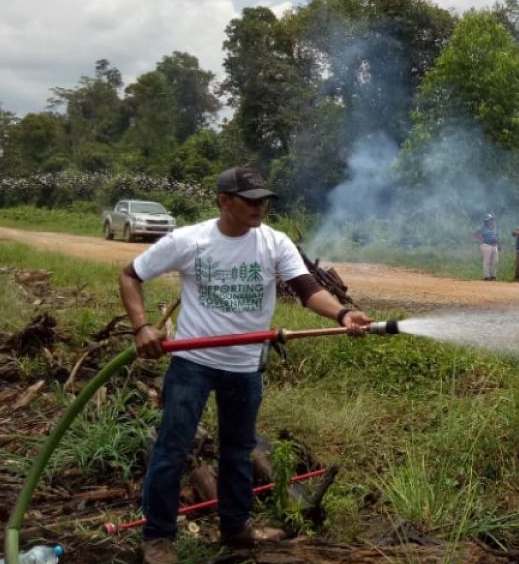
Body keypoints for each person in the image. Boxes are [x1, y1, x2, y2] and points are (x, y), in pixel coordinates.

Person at [120, 167, 372, 564]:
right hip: (192, 362)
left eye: (264, 200)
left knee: (238, 451)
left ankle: (235, 528)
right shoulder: (190, 240)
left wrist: (342, 314)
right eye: (250, 200)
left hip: (245, 364)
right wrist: (141, 327)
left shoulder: (274, 242)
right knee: (171, 450)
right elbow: (130, 275)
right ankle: (158, 537)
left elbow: (306, 290)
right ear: (223, 200)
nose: (260, 207)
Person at [473, 213, 500, 281]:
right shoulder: (482, 228)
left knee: (495, 261)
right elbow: (475, 233)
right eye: (489, 220)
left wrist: (498, 244)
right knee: (487, 261)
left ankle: (493, 275)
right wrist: (481, 239)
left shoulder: (494, 228)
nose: (491, 221)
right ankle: (486, 276)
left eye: (491, 220)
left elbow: (496, 236)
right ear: (485, 221)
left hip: (494, 245)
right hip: (486, 245)